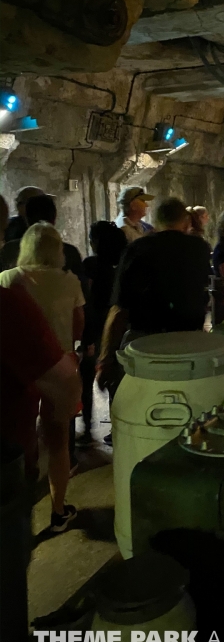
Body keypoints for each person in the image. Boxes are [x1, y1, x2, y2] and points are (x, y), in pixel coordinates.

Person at [0, 221, 84, 532]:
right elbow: (78, 324)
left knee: (19, 440)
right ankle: (58, 510)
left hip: (17, 371)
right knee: (58, 441)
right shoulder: (69, 280)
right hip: (57, 366)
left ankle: (20, 508)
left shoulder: (9, 278)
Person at [97, 198, 212, 393]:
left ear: (156, 222)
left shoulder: (137, 249)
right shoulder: (199, 249)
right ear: (186, 222)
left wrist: (105, 360)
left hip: (144, 345)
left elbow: (119, 309)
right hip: (188, 344)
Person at [78, 222, 127, 447]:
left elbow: (86, 299)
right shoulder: (124, 265)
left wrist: (85, 336)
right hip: (118, 327)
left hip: (96, 327)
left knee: (87, 378)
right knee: (115, 379)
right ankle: (118, 429)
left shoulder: (91, 265)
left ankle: (88, 429)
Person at [0, 194, 84, 285]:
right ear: (54, 219)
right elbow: (83, 288)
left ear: (26, 219)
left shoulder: (9, 250)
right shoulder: (70, 253)